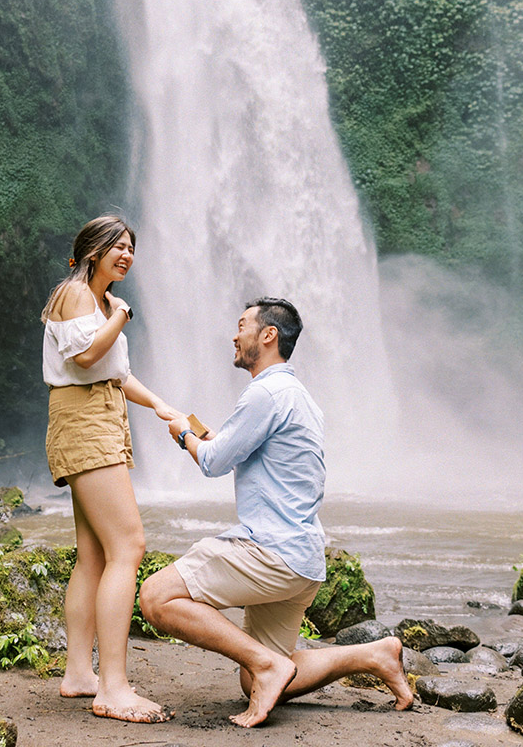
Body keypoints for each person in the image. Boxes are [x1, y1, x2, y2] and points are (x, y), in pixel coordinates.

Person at [139, 297, 413, 728]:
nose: (234, 333)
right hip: (302, 560)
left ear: (268, 335)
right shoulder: (297, 395)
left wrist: (182, 435)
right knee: (253, 681)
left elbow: (212, 462)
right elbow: (238, 450)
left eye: (242, 324)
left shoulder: (264, 392)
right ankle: (372, 654)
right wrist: (200, 434)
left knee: (156, 596)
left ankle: (268, 664)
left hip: (271, 552)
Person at [41, 215, 181, 723]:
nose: (125, 254)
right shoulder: (78, 295)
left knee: (95, 554)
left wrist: (166, 409)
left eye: (130, 247)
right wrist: (120, 315)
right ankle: (114, 687)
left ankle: (81, 673)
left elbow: (116, 374)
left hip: (97, 418)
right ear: (91, 251)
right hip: (84, 421)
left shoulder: (98, 303)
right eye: (115, 246)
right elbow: (84, 358)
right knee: (129, 545)